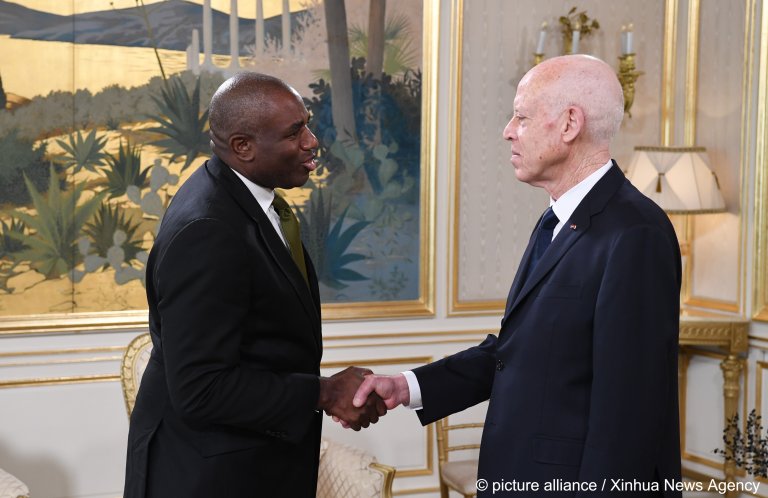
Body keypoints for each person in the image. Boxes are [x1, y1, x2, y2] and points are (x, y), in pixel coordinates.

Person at [352, 55, 682, 496]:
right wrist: (407, 386)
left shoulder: (636, 233)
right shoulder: (556, 221)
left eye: (521, 117)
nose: (508, 130)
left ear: (569, 124)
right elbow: (519, 354)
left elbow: (630, 414)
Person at [124, 72, 385, 498]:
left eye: (307, 125)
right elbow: (201, 388)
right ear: (243, 146)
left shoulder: (242, 197)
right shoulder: (208, 229)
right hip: (208, 478)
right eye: (294, 132)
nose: (312, 141)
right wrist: (322, 393)